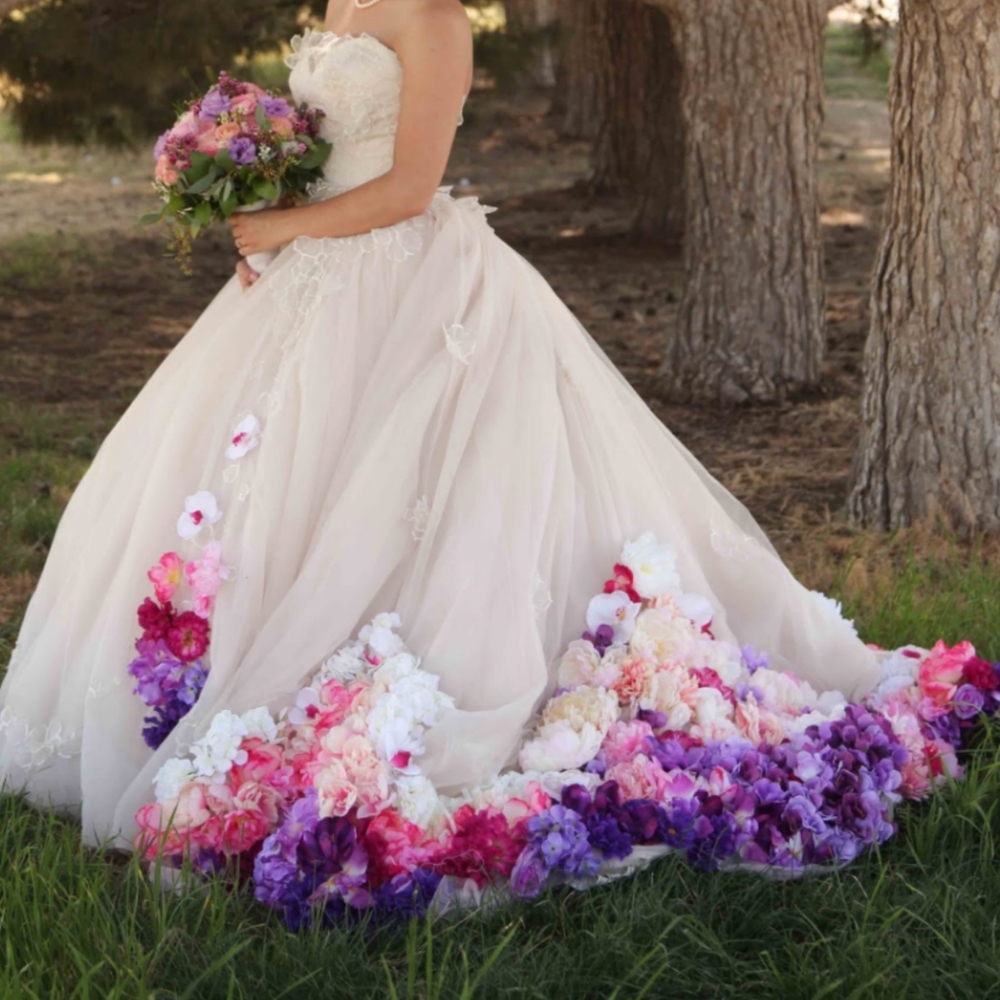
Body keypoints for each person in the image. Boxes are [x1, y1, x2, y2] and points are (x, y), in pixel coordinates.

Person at [0, 0, 882, 853]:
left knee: (407, 492)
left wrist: (283, 224)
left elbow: (412, 188)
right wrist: (257, 198)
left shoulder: (437, 19)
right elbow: (324, 145)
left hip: (410, 285)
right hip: (311, 274)